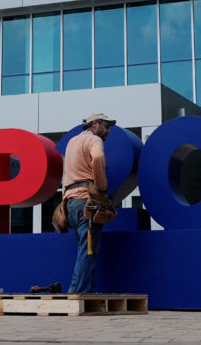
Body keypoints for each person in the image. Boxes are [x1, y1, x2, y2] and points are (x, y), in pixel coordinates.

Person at [62, 112, 114, 294]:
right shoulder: (94, 140)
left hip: (71, 203)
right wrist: (101, 185)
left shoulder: (72, 142)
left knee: (85, 250)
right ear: (94, 125)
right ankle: (78, 294)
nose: (108, 130)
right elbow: (98, 158)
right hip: (87, 201)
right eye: (106, 126)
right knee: (88, 251)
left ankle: (85, 293)